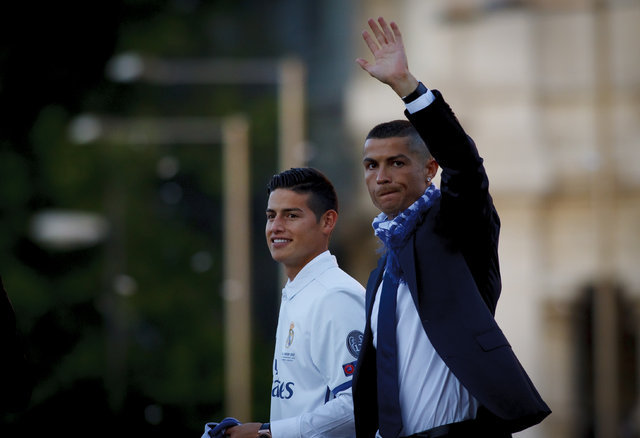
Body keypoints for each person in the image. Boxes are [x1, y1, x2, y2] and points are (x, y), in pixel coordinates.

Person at [351, 17, 551, 438]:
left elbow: (464, 164)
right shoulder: (383, 270)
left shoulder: (455, 225)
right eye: (371, 165)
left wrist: (408, 88)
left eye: (396, 162)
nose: (381, 176)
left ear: (430, 169)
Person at [223, 167, 366, 438]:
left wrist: (267, 433)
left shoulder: (335, 296)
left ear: (327, 222)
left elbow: (358, 406)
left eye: (291, 215)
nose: (276, 227)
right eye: (271, 216)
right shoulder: (298, 290)